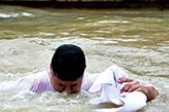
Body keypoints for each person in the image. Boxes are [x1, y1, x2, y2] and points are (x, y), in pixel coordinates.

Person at [18, 44, 159, 102]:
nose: (66, 93)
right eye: (61, 85)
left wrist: (145, 91)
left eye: (73, 86)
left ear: (83, 75)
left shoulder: (95, 84)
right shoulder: (34, 84)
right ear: (51, 72)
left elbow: (161, 95)